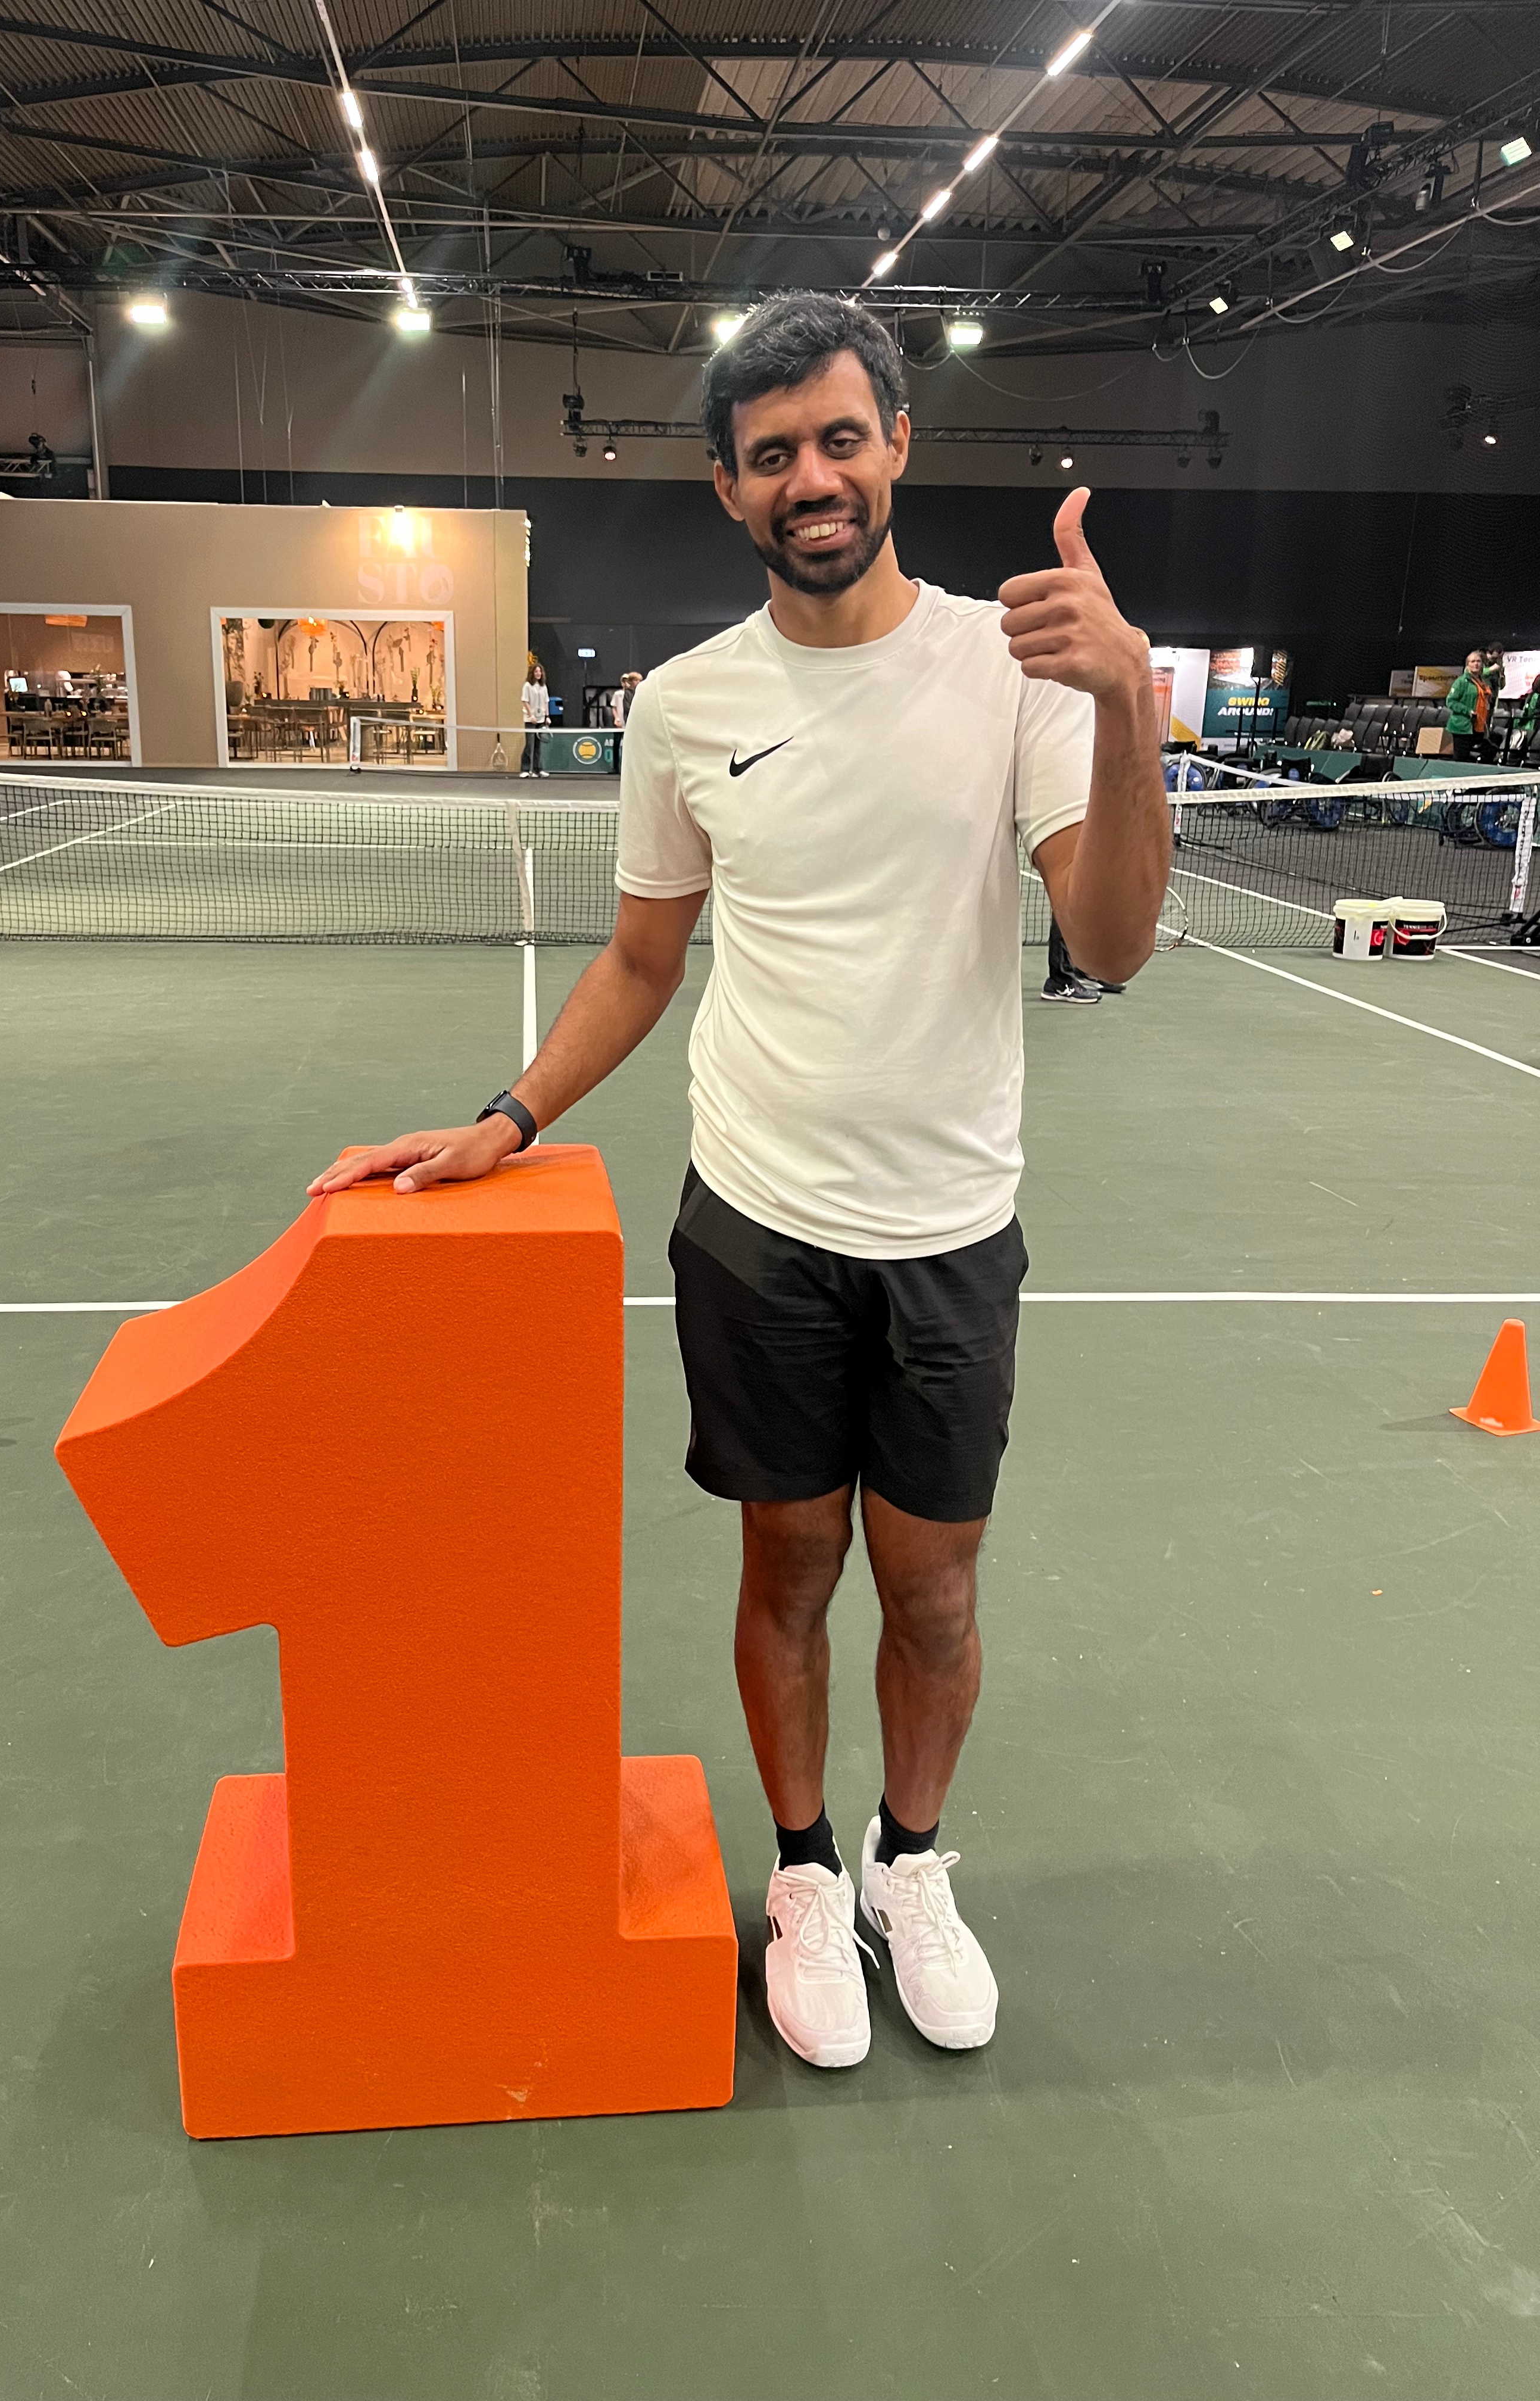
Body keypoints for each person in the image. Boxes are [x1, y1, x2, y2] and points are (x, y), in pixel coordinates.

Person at [309, 292, 1168, 2072]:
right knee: (788, 1564)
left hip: (948, 1236)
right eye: (773, 453)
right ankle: (799, 1878)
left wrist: (1131, 703)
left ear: (898, 446)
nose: (813, 476)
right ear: (727, 490)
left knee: (931, 1592)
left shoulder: (1018, 676)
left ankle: (906, 1867)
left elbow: (1113, 939)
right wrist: (513, 1114)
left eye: (840, 438)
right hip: (759, 1226)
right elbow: (642, 960)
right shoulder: (686, 706)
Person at [1445, 650, 1495, 762]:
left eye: (1479, 661)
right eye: (1473, 661)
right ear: (1468, 665)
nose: (1476, 664)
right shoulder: (1462, 682)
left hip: (1478, 725)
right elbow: (1450, 702)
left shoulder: (1483, 682)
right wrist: (1467, 711)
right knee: (1461, 758)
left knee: (1490, 751)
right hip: (1463, 726)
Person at [520, 656, 549, 776]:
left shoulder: (544, 687)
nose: (538, 673)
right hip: (530, 720)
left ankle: (538, 770)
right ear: (532, 673)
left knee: (538, 746)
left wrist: (547, 716)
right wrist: (531, 715)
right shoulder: (527, 686)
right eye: (536, 671)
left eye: (540, 671)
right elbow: (525, 701)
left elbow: (546, 702)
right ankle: (526, 770)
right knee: (529, 745)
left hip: (541, 719)